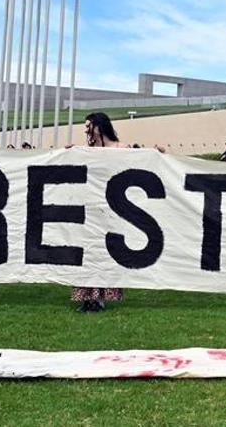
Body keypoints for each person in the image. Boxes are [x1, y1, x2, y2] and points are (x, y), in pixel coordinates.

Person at [71, 112, 127, 313]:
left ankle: (101, 297)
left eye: (89, 126)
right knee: (87, 252)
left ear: (100, 126)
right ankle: (87, 296)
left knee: (106, 252)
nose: (87, 131)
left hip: (112, 207)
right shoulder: (88, 150)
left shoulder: (121, 149)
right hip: (90, 208)